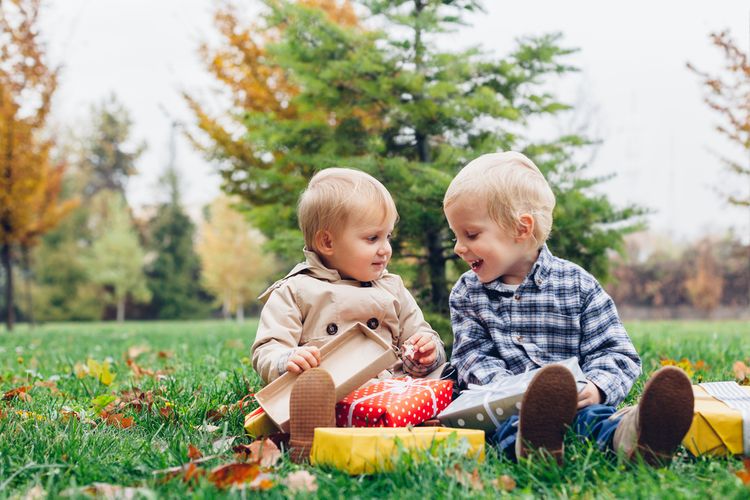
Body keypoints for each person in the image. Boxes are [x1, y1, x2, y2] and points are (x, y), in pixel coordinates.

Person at [443, 151, 694, 465]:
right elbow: (471, 355)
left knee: (594, 418)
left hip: (576, 401)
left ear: (521, 229)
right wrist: (509, 392)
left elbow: (616, 352)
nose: (458, 247)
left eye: (471, 234)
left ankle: (633, 439)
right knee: (502, 427)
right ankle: (534, 447)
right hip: (505, 407)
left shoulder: (577, 285)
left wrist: (597, 387)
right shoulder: (468, 293)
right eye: (456, 235)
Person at [252, 167, 447, 461]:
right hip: (332, 396)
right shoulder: (296, 291)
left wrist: (425, 352)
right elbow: (268, 348)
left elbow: (420, 333)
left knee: (444, 382)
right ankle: (313, 436)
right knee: (313, 400)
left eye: (388, 236)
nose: (386, 250)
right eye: (372, 239)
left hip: (391, 391)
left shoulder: (392, 288)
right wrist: (286, 360)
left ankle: (419, 425)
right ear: (327, 242)